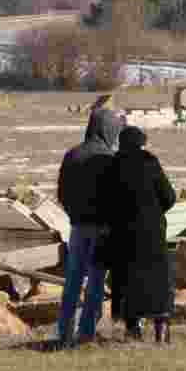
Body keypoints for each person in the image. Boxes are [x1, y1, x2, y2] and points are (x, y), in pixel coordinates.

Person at [102, 126, 177, 343]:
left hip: (123, 233)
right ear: (141, 142)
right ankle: (161, 333)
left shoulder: (113, 165)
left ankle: (132, 331)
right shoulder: (150, 162)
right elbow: (169, 197)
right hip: (152, 232)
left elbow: (106, 201)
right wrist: (152, 211)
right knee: (158, 281)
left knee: (128, 280)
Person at [55, 107, 122, 347]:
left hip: (78, 226)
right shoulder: (110, 158)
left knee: (72, 281)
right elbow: (118, 196)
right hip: (103, 229)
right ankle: (85, 335)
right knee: (95, 282)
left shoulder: (72, 154)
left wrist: (74, 213)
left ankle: (63, 334)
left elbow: (61, 192)